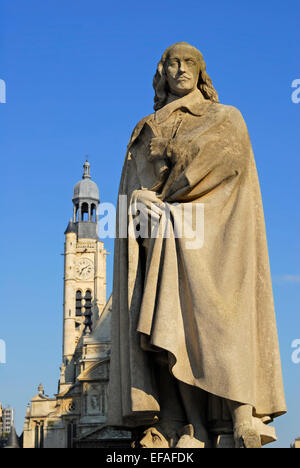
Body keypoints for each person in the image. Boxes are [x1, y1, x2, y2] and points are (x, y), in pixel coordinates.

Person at [107, 42, 286, 448]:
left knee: (222, 320)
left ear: (201, 71)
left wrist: (174, 200)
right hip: (161, 237)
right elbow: (130, 187)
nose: (181, 69)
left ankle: (242, 414)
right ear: (162, 72)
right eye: (173, 63)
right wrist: (138, 199)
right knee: (165, 326)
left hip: (219, 235)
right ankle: (183, 423)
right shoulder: (146, 127)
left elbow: (232, 170)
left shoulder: (225, 117)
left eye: (189, 63)